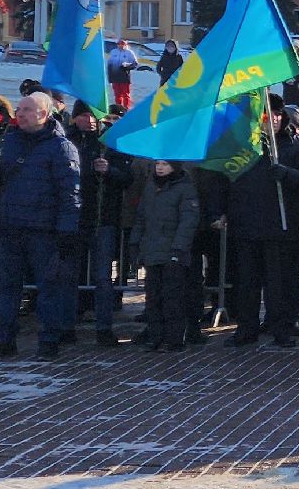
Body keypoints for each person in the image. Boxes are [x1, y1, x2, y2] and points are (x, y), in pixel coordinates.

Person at [221, 100, 299, 349]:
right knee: (247, 282)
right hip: (247, 225)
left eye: (278, 115)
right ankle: (246, 329)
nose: (274, 119)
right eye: (268, 115)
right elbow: (225, 181)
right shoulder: (244, 148)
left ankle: (281, 327)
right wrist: (223, 211)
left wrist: (287, 174)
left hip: (280, 227)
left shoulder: (295, 147)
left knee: (277, 284)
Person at [0, 92, 82, 361]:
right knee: (8, 287)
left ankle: (49, 341)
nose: (21, 114)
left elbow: (70, 192)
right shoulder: (11, 140)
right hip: (12, 226)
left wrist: (67, 229)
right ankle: (4, 340)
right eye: (19, 109)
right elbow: (1, 179)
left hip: (44, 230)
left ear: (43, 114)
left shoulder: (61, 148)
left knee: (48, 289)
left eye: (27, 109)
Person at [68, 103, 134, 344]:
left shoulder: (109, 143)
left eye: (94, 115)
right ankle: (68, 324)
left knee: (102, 277)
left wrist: (109, 171)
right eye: (84, 115)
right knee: (70, 274)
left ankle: (104, 327)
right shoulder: (68, 140)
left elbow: (127, 178)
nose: (90, 120)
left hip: (103, 219)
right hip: (74, 219)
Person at [130, 160, 200, 352]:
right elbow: (141, 218)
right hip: (152, 250)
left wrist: (178, 249)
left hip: (173, 252)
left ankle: (174, 338)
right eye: (157, 164)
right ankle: (155, 336)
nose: (160, 168)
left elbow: (188, 221)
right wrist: (135, 243)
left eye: (165, 164)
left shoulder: (185, 188)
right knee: (153, 298)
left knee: (173, 298)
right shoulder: (151, 187)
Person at [106, 39, 140, 112]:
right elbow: (109, 64)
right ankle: (118, 109)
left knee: (125, 94)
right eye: (119, 44)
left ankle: (126, 109)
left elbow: (135, 64)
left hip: (124, 76)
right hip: (115, 76)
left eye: (122, 44)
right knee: (117, 94)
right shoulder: (113, 52)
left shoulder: (129, 53)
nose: (120, 46)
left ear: (126, 45)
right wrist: (110, 77)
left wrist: (127, 67)